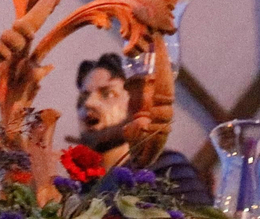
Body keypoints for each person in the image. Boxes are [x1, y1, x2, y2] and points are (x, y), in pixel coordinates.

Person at [72, 52, 212, 208]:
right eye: (84, 96)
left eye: (108, 94)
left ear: (138, 103)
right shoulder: (78, 190)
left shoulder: (166, 169)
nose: (88, 103)